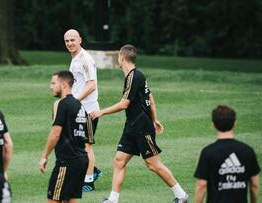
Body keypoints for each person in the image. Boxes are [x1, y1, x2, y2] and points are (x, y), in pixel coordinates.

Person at [91, 44, 188, 203]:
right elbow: (150, 97)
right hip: (132, 126)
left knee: (153, 164)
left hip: (142, 128)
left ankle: (181, 195)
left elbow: (124, 104)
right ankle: (113, 200)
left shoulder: (133, 77)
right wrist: (155, 119)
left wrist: (101, 112)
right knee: (119, 160)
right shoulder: (137, 76)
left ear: (121, 57)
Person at [38, 71, 89, 203]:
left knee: (53, 199)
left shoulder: (63, 104)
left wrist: (44, 156)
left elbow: (55, 133)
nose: (51, 86)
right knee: (71, 199)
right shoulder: (79, 105)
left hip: (67, 161)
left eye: (54, 83)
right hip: (81, 159)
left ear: (64, 84)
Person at [194, 105, 260, 203]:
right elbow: (254, 185)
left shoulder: (208, 152)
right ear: (235, 123)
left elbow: (201, 185)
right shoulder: (247, 150)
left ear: (213, 124)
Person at [64, 29, 102, 192]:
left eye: (73, 40)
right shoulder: (75, 59)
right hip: (79, 110)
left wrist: (75, 100)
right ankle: (93, 171)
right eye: (67, 41)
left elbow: (91, 85)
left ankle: (88, 182)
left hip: (88, 111)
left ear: (80, 40)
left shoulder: (85, 59)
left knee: (86, 146)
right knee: (76, 145)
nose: (70, 43)